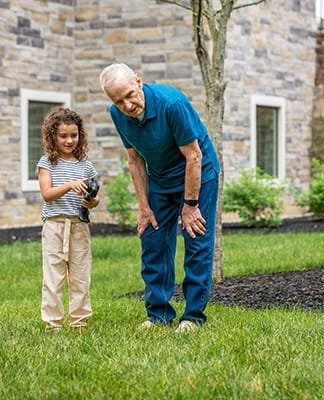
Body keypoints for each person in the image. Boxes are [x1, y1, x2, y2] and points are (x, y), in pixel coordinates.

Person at [99, 63, 220, 332]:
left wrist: (190, 206)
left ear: (139, 81)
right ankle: (159, 315)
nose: (127, 105)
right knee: (153, 240)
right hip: (161, 179)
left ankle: (193, 316)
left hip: (199, 173)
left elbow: (194, 156)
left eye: (130, 94)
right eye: (118, 101)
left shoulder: (171, 103)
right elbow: (135, 161)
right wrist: (144, 207)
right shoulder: (117, 114)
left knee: (196, 238)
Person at [36, 108, 99, 332]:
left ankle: (79, 321)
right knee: (54, 276)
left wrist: (91, 201)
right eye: (63, 136)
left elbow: (94, 198)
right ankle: (53, 324)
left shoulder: (86, 166)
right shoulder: (47, 164)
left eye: (74, 135)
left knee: (80, 276)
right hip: (54, 226)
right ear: (52, 136)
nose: (69, 140)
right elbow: (47, 193)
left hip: (79, 226)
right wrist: (70, 185)